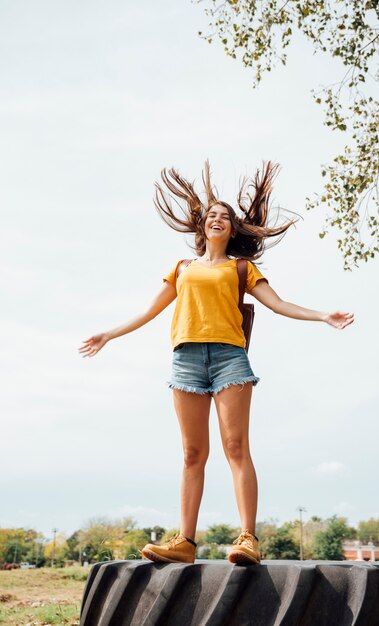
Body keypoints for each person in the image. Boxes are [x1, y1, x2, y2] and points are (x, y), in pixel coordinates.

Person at [78, 161, 354, 566]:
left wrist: (321, 316)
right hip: (186, 359)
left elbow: (278, 304)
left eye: (225, 216)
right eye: (212, 215)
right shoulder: (182, 268)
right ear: (202, 227)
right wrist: (108, 334)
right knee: (192, 454)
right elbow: (150, 311)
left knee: (236, 447)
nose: (218, 219)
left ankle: (247, 539)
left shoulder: (241, 268)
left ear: (232, 229)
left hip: (229, 360)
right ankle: (184, 543)